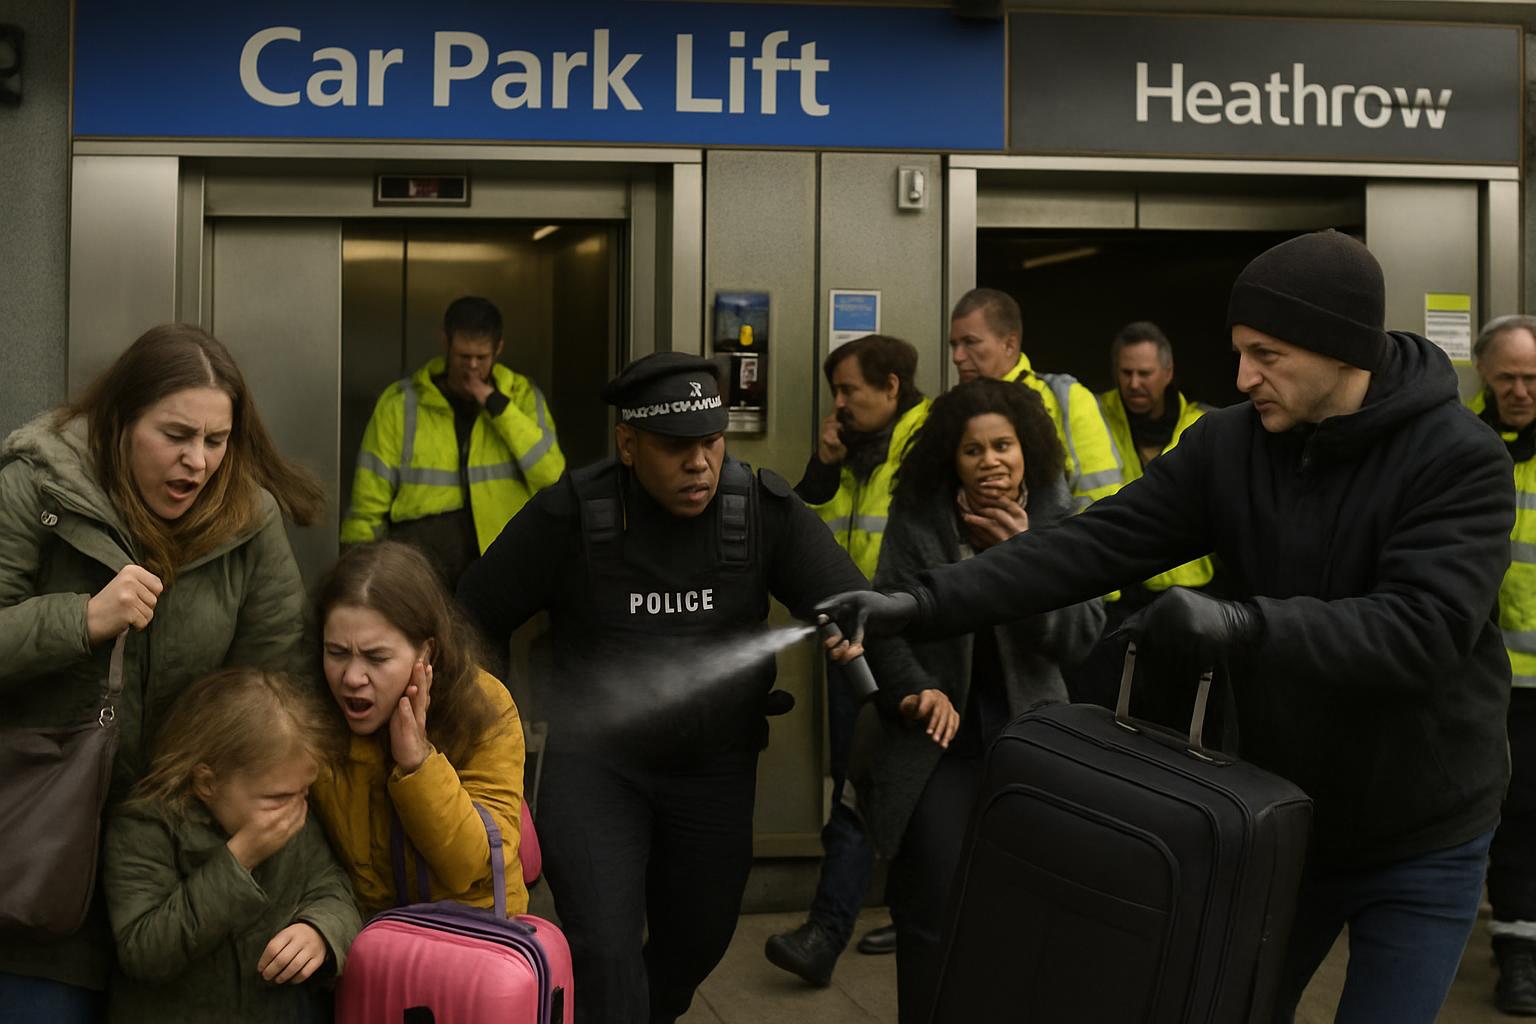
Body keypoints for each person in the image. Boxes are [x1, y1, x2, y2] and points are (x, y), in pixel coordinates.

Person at [820, 230, 1514, 1024]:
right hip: (1280, 814)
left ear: (1340, 346)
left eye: (1268, 354)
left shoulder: (1459, 457)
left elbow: (1422, 629)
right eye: (1240, 351)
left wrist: (1241, 622)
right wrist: (923, 603)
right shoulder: (1231, 444)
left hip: (1422, 831)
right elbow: (1092, 544)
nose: (1244, 376)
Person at [456, 352, 868, 1024]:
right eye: (676, 448)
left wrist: (908, 681)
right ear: (629, 443)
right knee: (605, 949)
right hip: (596, 771)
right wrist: (491, 736)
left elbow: (855, 602)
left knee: (695, 943)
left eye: (710, 443)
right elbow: (471, 615)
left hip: (714, 773)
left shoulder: (760, 511)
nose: (699, 463)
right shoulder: (572, 514)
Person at [0, 323, 323, 1022]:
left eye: (217, 440)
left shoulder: (248, 519)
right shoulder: (35, 489)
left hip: (179, 873)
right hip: (47, 854)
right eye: (175, 435)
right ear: (118, 421)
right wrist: (81, 620)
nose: (198, 461)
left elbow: (277, 692)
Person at [850, 378, 1103, 1023]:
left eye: (1004, 446)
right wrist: (916, 691)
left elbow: (1080, 635)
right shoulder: (922, 513)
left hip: (1033, 745)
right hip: (940, 748)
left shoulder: (1054, 514)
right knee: (931, 903)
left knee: (1024, 910)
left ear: (1026, 452)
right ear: (952, 459)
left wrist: (1022, 558)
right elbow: (888, 625)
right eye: (973, 451)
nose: (991, 461)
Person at [765, 335, 930, 983]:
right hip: (852, 641)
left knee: (874, 791)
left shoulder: (928, 446)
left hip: (910, 643)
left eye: (849, 391)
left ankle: (829, 932)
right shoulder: (859, 453)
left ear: (891, 387)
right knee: (856, 787)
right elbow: (811, 541)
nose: (838, 405)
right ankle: (851, 925)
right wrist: (826, 467)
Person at [103, 667, 360, 1023]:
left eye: (304, 792)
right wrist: (239, 860)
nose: (296, 810)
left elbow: (332, 887)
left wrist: (319, 930)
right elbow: (144, 950)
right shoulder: (145, 827)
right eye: (277, 797)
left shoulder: (293, 816)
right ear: (208, 782)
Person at [308, 540, 528, 920]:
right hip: (362, 941)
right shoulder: (310, 714)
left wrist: (418, 764)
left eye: (377, 658)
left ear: (425, 652)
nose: (352, 677)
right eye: (337, 652)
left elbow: (467, 865)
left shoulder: (485, 706)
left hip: (468, 941)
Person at [341, 295, 566, 588]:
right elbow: (369, 498)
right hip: (420, 569)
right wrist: (356, 572)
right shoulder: (402, 404)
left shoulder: (522, 398)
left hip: (499, 565)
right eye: (463, 356)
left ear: (498, 349)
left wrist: (498, 406)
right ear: (445, 343)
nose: (472, 367)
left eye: (481, 358)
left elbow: (551, 475)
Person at [1067, 320, 1219, 708]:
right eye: (1126, 372)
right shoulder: (1092, 416)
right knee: (1106, 703)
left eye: (1145, 373)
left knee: (1176, 706)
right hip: (1114, 587)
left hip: (1186, 591)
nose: (1134, 383)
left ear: (1167, 373)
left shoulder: (1204, 424)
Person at [1470, 314, 1536, 1016]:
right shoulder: (1464, 447)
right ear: (1485, 376)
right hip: (1495, 683)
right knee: (1515, 817)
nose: (1520, 390)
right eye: (1508, 377)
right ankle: (1517, 955)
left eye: (1532, 378)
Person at [948, 287, 1122, 509]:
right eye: (954, 345)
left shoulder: (1065, 398)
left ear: (1009, 344)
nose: (957, 357)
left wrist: (1056, 542)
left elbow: (1101, 496)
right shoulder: (951, 412)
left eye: (970, 342)